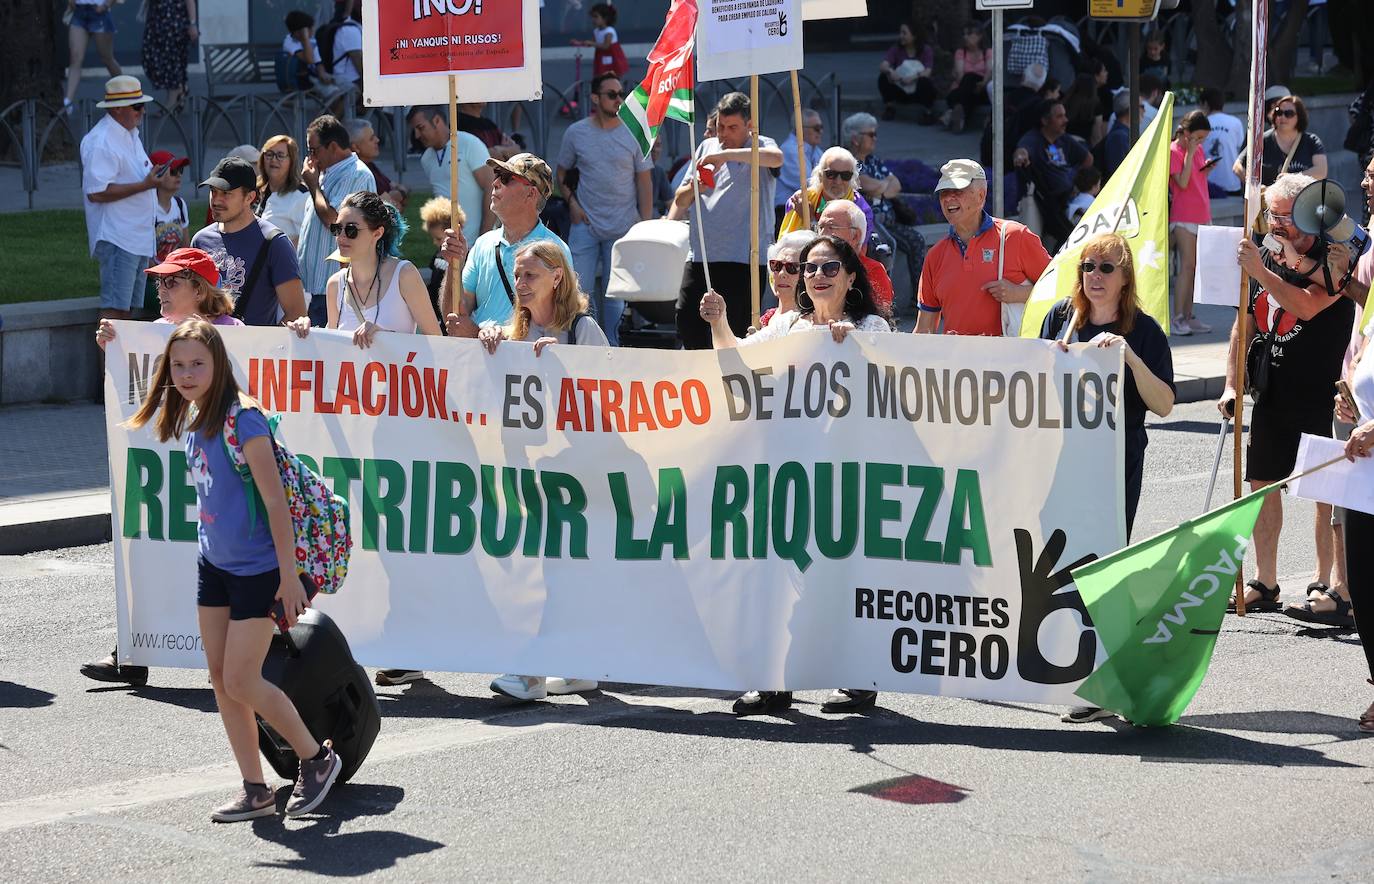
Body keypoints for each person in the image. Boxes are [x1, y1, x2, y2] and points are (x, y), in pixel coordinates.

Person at [126, 321, 343, 821]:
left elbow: (275, 503)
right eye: (178, 365)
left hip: (259, 572)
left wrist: (290, 578)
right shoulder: (198, 414)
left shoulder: (243, 418)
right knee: (222, 679)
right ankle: (256, 789)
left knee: (243, 680)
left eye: (196, 363)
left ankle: (317, 759)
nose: (186, 373)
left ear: (218, 364)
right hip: (215, 567)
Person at [699, 234, 890, 716]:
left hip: (846, 471)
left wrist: (858, 348)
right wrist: (719, 322)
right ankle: (774, 682)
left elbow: (892, 388)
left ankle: (858, 674)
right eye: (810, 269)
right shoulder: (787, 324)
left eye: (829, 268)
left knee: (841, 573)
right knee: (778, 576)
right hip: (786, 470)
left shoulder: (872, 327)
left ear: (850, 276)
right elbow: (738, 358)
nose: (817, 276)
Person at [81, 247, 245, 688]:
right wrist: (114, 346)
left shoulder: (234, 333)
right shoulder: (152, 334)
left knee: (216, 564)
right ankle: (133, 651)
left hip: (214, 474)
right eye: (159, 281)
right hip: (163, 472)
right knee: (147, 556)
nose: (162, 289)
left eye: (172, 281)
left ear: (200, 289)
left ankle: (230, 657)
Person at [1041, 234, 1175, 725]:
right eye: (1087, 267)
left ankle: (1110, 677)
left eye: (1105, 268)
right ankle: (1077, 663)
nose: (1093, 276)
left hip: (1115, 465)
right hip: (1060, 462)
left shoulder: (1144, 331)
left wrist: (1129, 359)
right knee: (1061, 567)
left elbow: (1163, 404)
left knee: (1105, 565)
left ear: (1125, 278)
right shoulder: (1061, 317)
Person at [477, 242, 610, 701]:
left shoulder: (582, 330)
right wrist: (491, 348)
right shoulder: (512, 331)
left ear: (557, 278)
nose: (520, 284)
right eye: (517, 276)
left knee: (547, 569)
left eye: (530, 275)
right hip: (526, 469)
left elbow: (613, 396)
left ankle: (531, 673)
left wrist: (566, 368)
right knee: (541, 568)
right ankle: (577, 666)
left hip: (570, 474)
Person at [1219, 172, 1356, 613]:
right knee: (1262, 486)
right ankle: (1267, 580)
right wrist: (1230, 383)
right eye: (1271, 215)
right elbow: (1245, 321)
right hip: (1274, 389)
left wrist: (1262, 270)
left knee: (1323, 489)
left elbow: (1308, 307)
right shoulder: (1265, 255)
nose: (1278, 225)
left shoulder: (1333, 258)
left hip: (1322, 390)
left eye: (1285, 216)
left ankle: (1325, 582)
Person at [670, 92, 783, 348]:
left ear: (749, 125)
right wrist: (696, 186)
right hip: (703, 256)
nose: (724, 134)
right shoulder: (706, 147)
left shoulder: (762, 145)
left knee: (736, 330)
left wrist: (726, 156)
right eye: (720, 126)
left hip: (744, 258)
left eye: (732, 128)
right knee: (688, 321)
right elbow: (681, 199)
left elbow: (776, 159)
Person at [555, 71, 653, 346]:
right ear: (595, 98)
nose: (618, 100)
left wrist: (645, 226)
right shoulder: (576, 133)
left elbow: (644, 181)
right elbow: (561, 173)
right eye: (612, 95)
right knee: (577, 293)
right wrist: (571, 203)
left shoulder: (634, 132)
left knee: (616, 299)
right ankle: (580, 349)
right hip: (584, 224)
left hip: (623, 226)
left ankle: (614, 350)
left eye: (621, 94)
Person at [442, 153, 572, 337]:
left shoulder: (555, 251)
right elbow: (453, 316)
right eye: (496, 175)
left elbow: (557, 325)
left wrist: (477, 333)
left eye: (506, 178)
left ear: (531, 193)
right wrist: (454, 264)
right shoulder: (482, 244)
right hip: (480, 358)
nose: (495, 183)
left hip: (523, 362)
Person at [916, 159, 1051, 336]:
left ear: (981, 195)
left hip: (1013, 361)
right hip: (958, 362)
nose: (948, 198)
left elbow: (1061, 288)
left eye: (957, 191)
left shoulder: (1015, 236)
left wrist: (1019, 294)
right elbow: (924, 330)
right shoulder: (935, 255)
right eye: (943, 192)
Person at [82, 76, 162, 326]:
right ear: (117, 108)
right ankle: (105, 366)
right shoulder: (102, 140)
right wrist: (146, 185)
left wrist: (151, 180)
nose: (143, 111)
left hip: (134, 237)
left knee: (126, 313)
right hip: (118, 237)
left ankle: (116, 365)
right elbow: (97, 192)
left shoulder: (129, 134)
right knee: (114, 313)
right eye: (137, 106)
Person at [193, 156, 307, 327]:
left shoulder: (275, 243)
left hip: (252, 351)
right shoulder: (200, 241)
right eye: (213, 191)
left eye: (226, 193)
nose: (216, 200)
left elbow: (296, 314)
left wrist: (262, 347)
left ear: (250, 197)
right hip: (204, 349)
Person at [297, 114, 375, 326]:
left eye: (314, 150)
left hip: (335, 288)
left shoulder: (356, 174)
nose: (310, 157)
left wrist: (313, 186)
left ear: (332, 146)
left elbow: (335, 223)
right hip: (315, 288)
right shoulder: (325, 173)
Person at [846, 112, 926, 304]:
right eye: (870, 135)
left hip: (889, 222)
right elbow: (863, 183)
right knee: (885, 248)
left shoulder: (873, 160)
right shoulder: (848, 162)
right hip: (870, 226)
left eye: (875, 134)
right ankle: (884, 302)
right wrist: (882, 186)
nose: (875, 138)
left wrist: (878, 188)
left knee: (917, 240)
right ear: (856, 139)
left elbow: (895, 184)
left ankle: (920, 300)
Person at [409, 105, 494, 245]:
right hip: (449, 248)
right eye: (415, 130)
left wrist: (484, 238)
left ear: (437, 120)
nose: (417, 135)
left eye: (420, 128)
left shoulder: (469, 143)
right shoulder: (426, 159)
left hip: (476, 245)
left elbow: (491, 188)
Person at [1014, 101, 1094, 249]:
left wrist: (1073, 175)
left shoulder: (1063, 138)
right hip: (1049, 204)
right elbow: (1023, 150)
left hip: (1071, 198)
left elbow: (1088, 159)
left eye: (1064, 115)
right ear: (1045, 121)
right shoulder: (1034, 139)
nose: (1065, 120)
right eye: (1059, 116)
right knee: (1069, 237)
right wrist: (1020, 156)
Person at [1169, 111, 1214, 338]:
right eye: (1197, 137)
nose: (1200, 142)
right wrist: (1191, 152)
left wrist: (1205, 167)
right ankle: (1177, 318)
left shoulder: (1195, 149)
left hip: (1201, 213)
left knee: (1195, 268)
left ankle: (1188, 315)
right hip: (1183, 216)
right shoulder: (1174, 151)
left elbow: (1197, 178)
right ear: (1186, 133)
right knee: (1186, 267)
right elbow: (1183, 182)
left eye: (1203, 139)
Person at [778, 147, 875, 242]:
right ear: (820, 175)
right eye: (831, 174)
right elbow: (786, 247)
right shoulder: (798, 202)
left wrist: (810, 220)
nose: (838, 181)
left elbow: (841, 251)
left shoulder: (862, 211)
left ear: (852, 178)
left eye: (845, 175)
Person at [1233, 94, 1328, 187]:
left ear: (1299, 117)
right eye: (1279, 112)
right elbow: (1237, 166)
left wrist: (1291, 178)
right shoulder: (1262, 140)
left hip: (1302, 201)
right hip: (1268, 200)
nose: (1282, 117)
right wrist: (1254, 186)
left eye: (1289, 114)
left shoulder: (1311, 141)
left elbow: (1321, 171)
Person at [817, 200, 894, 313]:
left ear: (855, 236)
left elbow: (879, 320)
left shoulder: (872, 271)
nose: (822, 234)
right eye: (820, 227)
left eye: (831, 227)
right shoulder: (812, 269)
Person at [63, 2, 123, 112]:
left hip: (99, 12)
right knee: (75, 58)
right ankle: (67, 101)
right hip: (79, 12)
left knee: (107, 58)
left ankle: (125, 92)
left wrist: (106, 5)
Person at [141, 0, 197, 113]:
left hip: (174, 22)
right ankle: (181, 89)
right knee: (149, 57)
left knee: (172, 61)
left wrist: (192, 24)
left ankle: (173, 99)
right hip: (156, 22)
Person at [255, 135, 310, 247]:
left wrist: (277, 254)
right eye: (269, 154)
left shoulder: (301, 196)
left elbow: (306, 238)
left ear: (291, 161)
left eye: (280, 155)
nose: (274, 160)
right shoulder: (258, 190)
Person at [775, 109, 825, 231]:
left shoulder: (815, 150)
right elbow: (811, 184)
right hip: (787, 212)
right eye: (817, 128)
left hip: (808, 208)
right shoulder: (790, 150)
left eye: (821, 127)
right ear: (800, 129)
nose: (821, 132)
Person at [877, 21, 937, 122]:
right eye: (900, 33)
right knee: (883, 77)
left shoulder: (926, 50)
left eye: (904, 33)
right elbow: (883, 65)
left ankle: (928, 113)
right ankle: (889, 108)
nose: (901, 36)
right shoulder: (896, 49)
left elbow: (928, 71)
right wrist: (890, 71)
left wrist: (913, 78)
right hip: (901, 88)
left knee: (925, 82)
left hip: (917, 90)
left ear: (914, 36)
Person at [757, 229, 817, 327]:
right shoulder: (767, 317)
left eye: (792, 267)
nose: (782, 273)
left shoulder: (815, 321)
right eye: (777, 265)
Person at [418, 196, 463, 323]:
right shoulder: (437, 255)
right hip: (435, 315)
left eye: (438, 238)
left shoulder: (465, 258)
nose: (434, 242)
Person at [345, 118, 407, 208]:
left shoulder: (371, 165)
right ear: (355, 147)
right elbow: (390, 208)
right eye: (371, 138)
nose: (377, 140)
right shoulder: (359, 174)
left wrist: (398, 195)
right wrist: (397, 195)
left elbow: (400, 190)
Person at [944, 23, 991, 134]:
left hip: (981, 88)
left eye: (969, 34)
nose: (965, 37)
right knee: (968, 79)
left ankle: (953, 114)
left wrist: (983, 83)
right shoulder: (960, 53)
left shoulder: (987, 52)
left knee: (966, 86)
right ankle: (960, 116)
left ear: (979, 36)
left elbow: (990, 71)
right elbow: (960, 76)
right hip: (963, 87)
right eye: (964, 34)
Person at [1201, 87, 1245, 197]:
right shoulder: (1235, 122)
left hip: (1207, 183)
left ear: (1205, 104)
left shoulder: (1200, 123)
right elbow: (1239, 147)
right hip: (1232, 181)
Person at [281, 10, 335, 94]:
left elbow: (318, 62)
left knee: (348, 86)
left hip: (317, 76)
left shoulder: (312, 41)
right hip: (303, 81)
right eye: (310, 28)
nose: (313, 30)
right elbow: (309, 60)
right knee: (335, 93)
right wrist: (305, 39)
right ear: (299, 32)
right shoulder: (289, 43)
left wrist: (322, 74)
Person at [1097, 91, 1133, 181]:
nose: (1144, 110)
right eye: (1142, 106)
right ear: (1130, 110)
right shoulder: (1119, 137)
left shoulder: (1123, 134)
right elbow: (1119, 174)